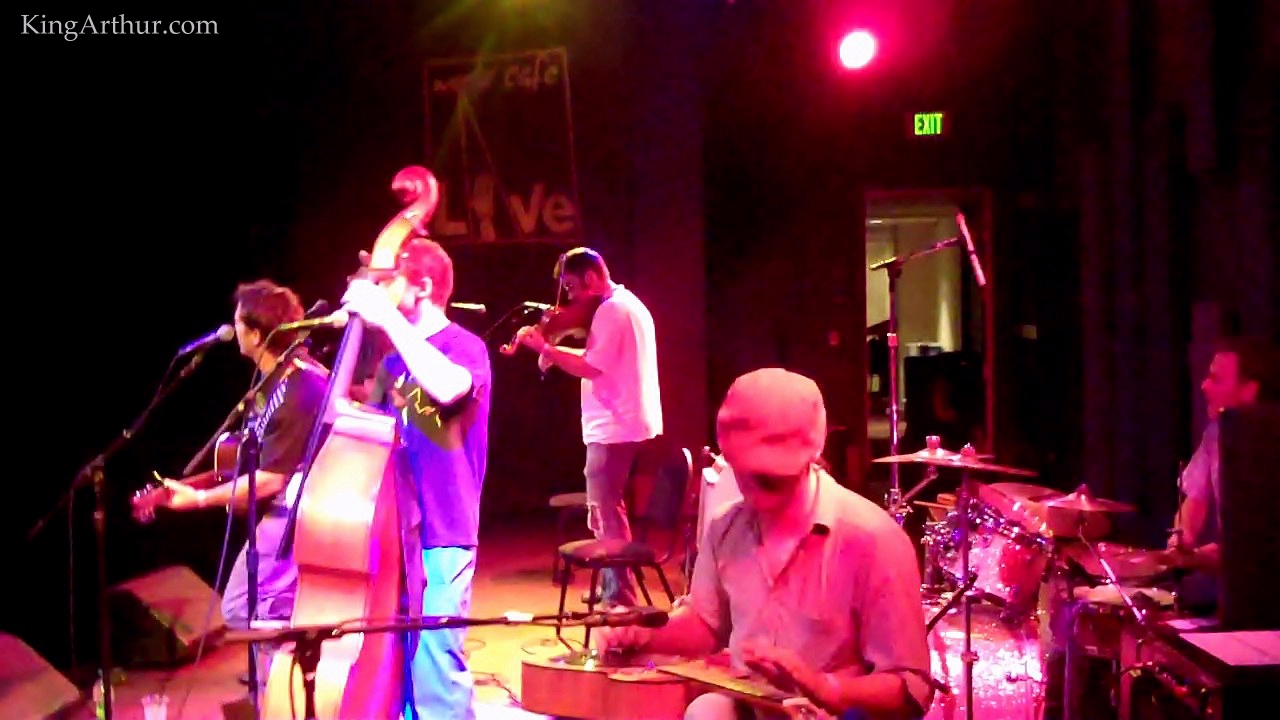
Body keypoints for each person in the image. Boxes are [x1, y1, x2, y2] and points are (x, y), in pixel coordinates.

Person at [595, 368, 933, 720]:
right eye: (745, 470)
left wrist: (824, 687)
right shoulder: (725, 527)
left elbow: (910, 688)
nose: (755, 487)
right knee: (705, 711)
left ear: (812, 455)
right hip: (750, 705)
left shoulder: (873, 539)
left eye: (771, 477)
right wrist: (642, 633)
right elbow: (707, 625)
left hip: (831, 715)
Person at [341, 236, 492, 720]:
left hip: (444, 528)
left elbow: (449, 388)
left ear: (423, 286)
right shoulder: (391, 363)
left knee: (434, 668)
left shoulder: (464, 347)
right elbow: (365, 433)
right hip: (391, 532)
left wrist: (386, 319)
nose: (380, 290)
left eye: (389, 281)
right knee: (396, 670)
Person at [136, 280, 327, 638]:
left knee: (240, 605)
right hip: (284, 511)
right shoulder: (270, 383)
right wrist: (180, 490)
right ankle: (286, 661)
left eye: (238, 322)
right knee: (254, 610)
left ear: (255, 334)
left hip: (301, 513)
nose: (232, 328)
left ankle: (317, 627)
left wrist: (200, 499)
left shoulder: (300, 385)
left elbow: (271, 478)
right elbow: (250, 461)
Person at [511, 247, 663, 608]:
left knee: (607, 512)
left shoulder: (612, 311)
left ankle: (620, 596)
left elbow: (592, 367)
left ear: (592, 278)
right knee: (605, 509)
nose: (569, 297)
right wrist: (554, 353)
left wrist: (547, 349)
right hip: (620, 424)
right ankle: (612, 584)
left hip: (614, 427)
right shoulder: (625, 305)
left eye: (571, 286)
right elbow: (599, 358)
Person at [1160, 335, 1280, 611]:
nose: (1204, 386)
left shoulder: (1270, 449)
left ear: (1249, 390)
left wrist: (1201, 557)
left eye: (1216, 379)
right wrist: (1181, 539)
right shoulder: (1215, 434)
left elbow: (1258, 549)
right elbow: (1194, 502)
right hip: (1234, 583)